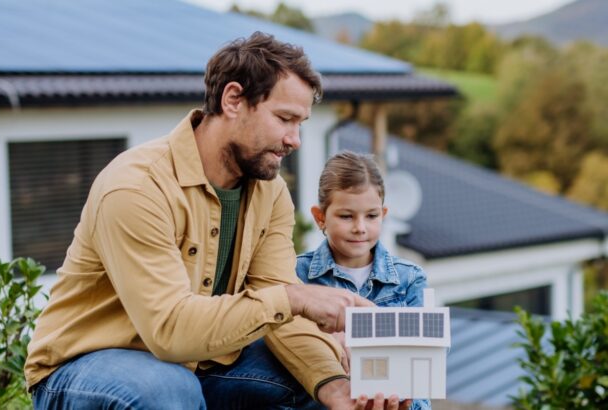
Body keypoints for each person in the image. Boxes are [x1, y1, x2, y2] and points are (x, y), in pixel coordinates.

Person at [24, 32, 404, 410]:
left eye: (301, 123)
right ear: (233, 99)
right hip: (84, 369)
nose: (295, 140)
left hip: (199, 363)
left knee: (320, 377)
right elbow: (171, 331)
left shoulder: (268, 193)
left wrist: (334, 387)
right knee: (166, 391)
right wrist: (297, 296)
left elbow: (282, 313)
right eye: (285, 119)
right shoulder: (137, 187)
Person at [296, 151, 430, 410]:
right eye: (346, 216)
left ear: (384, 214)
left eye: (371, 216)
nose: (360, 227)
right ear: (320, 217)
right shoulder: (297, 275)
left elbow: (424, 367)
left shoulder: (410, 279)